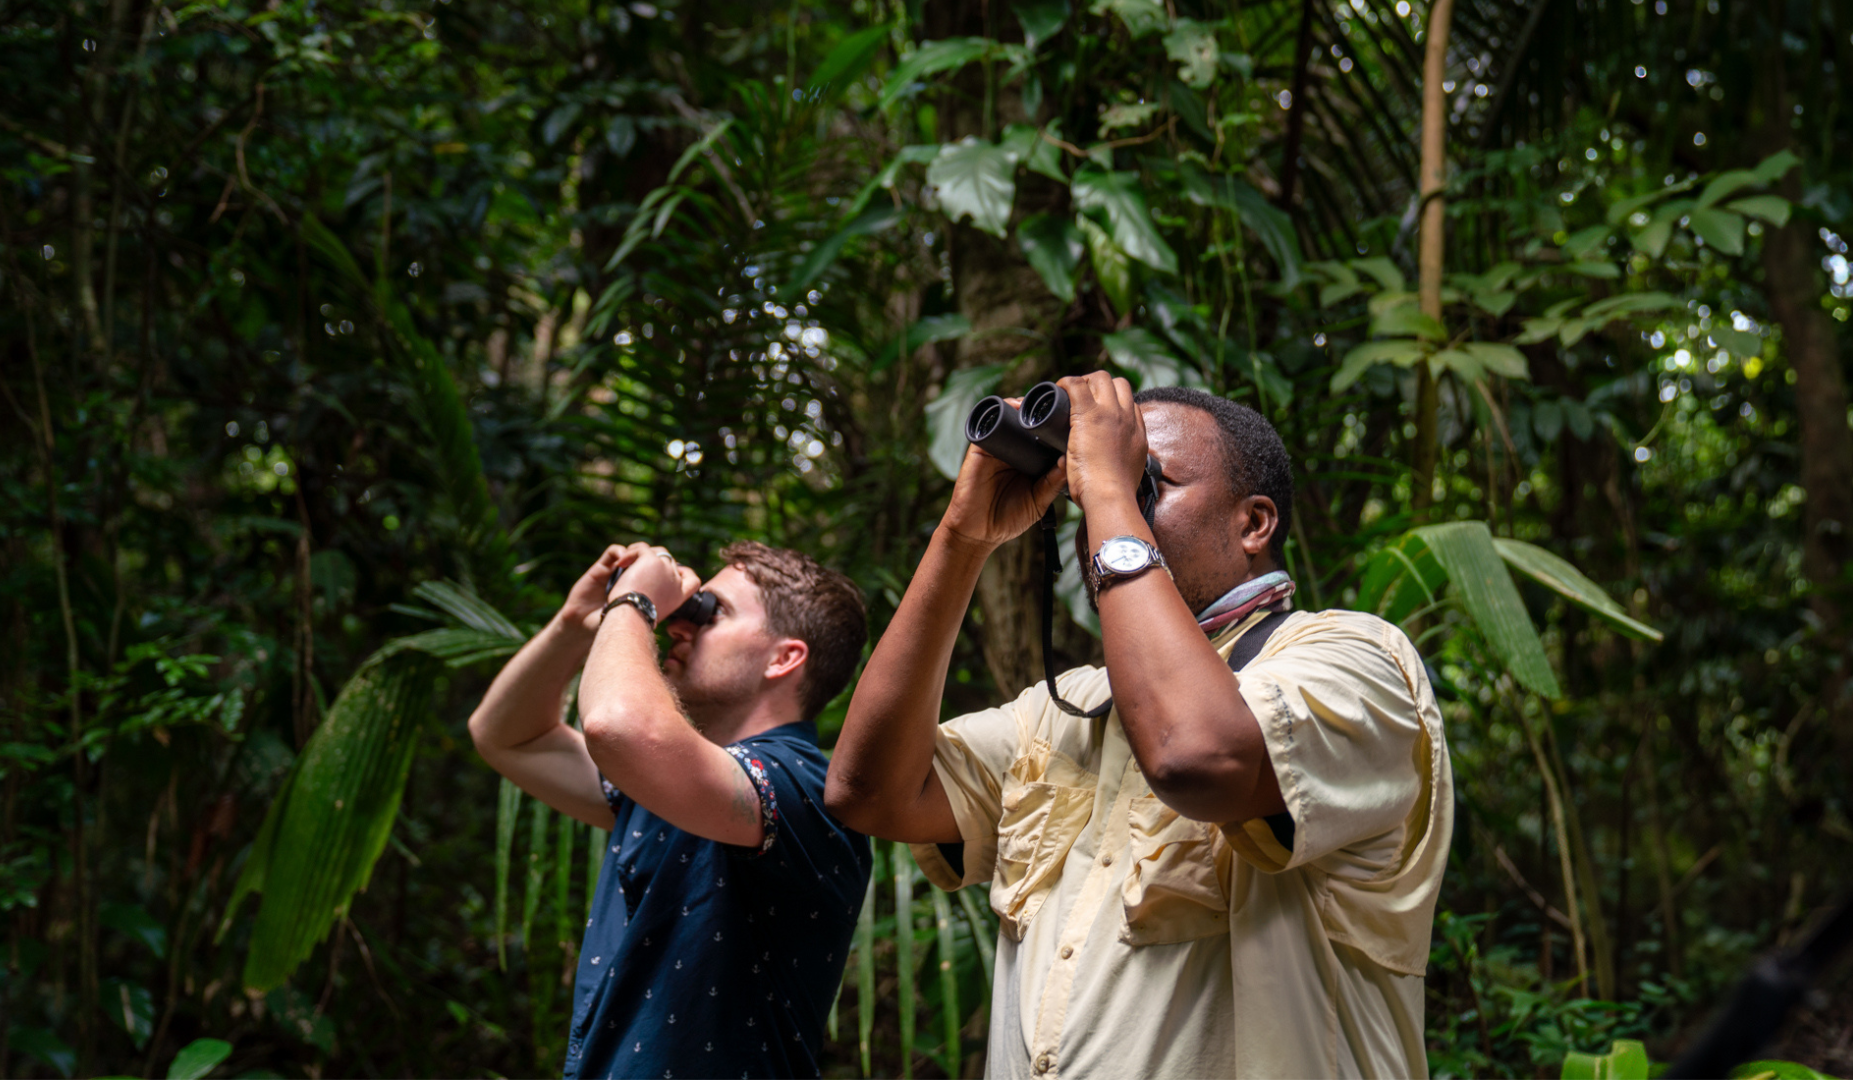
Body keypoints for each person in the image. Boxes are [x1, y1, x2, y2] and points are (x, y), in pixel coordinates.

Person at [825, 375, 1453, 1079]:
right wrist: (963, 536)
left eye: (1148, 481)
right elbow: (867, 792)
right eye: (1096, 488)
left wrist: (1108, 492)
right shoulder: (1069, 708)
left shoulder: (1354, 660)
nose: (1104, 510)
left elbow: (1196, 755)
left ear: (1253, 524)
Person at [469, 539, 872, 1080]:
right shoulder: (666, 787)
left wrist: (634, 603)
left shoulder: (801, 788)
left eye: (713, 612)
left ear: (784, 658)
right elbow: (507, 736)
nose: (680, 626)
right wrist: (574, 623)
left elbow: (616, 726)